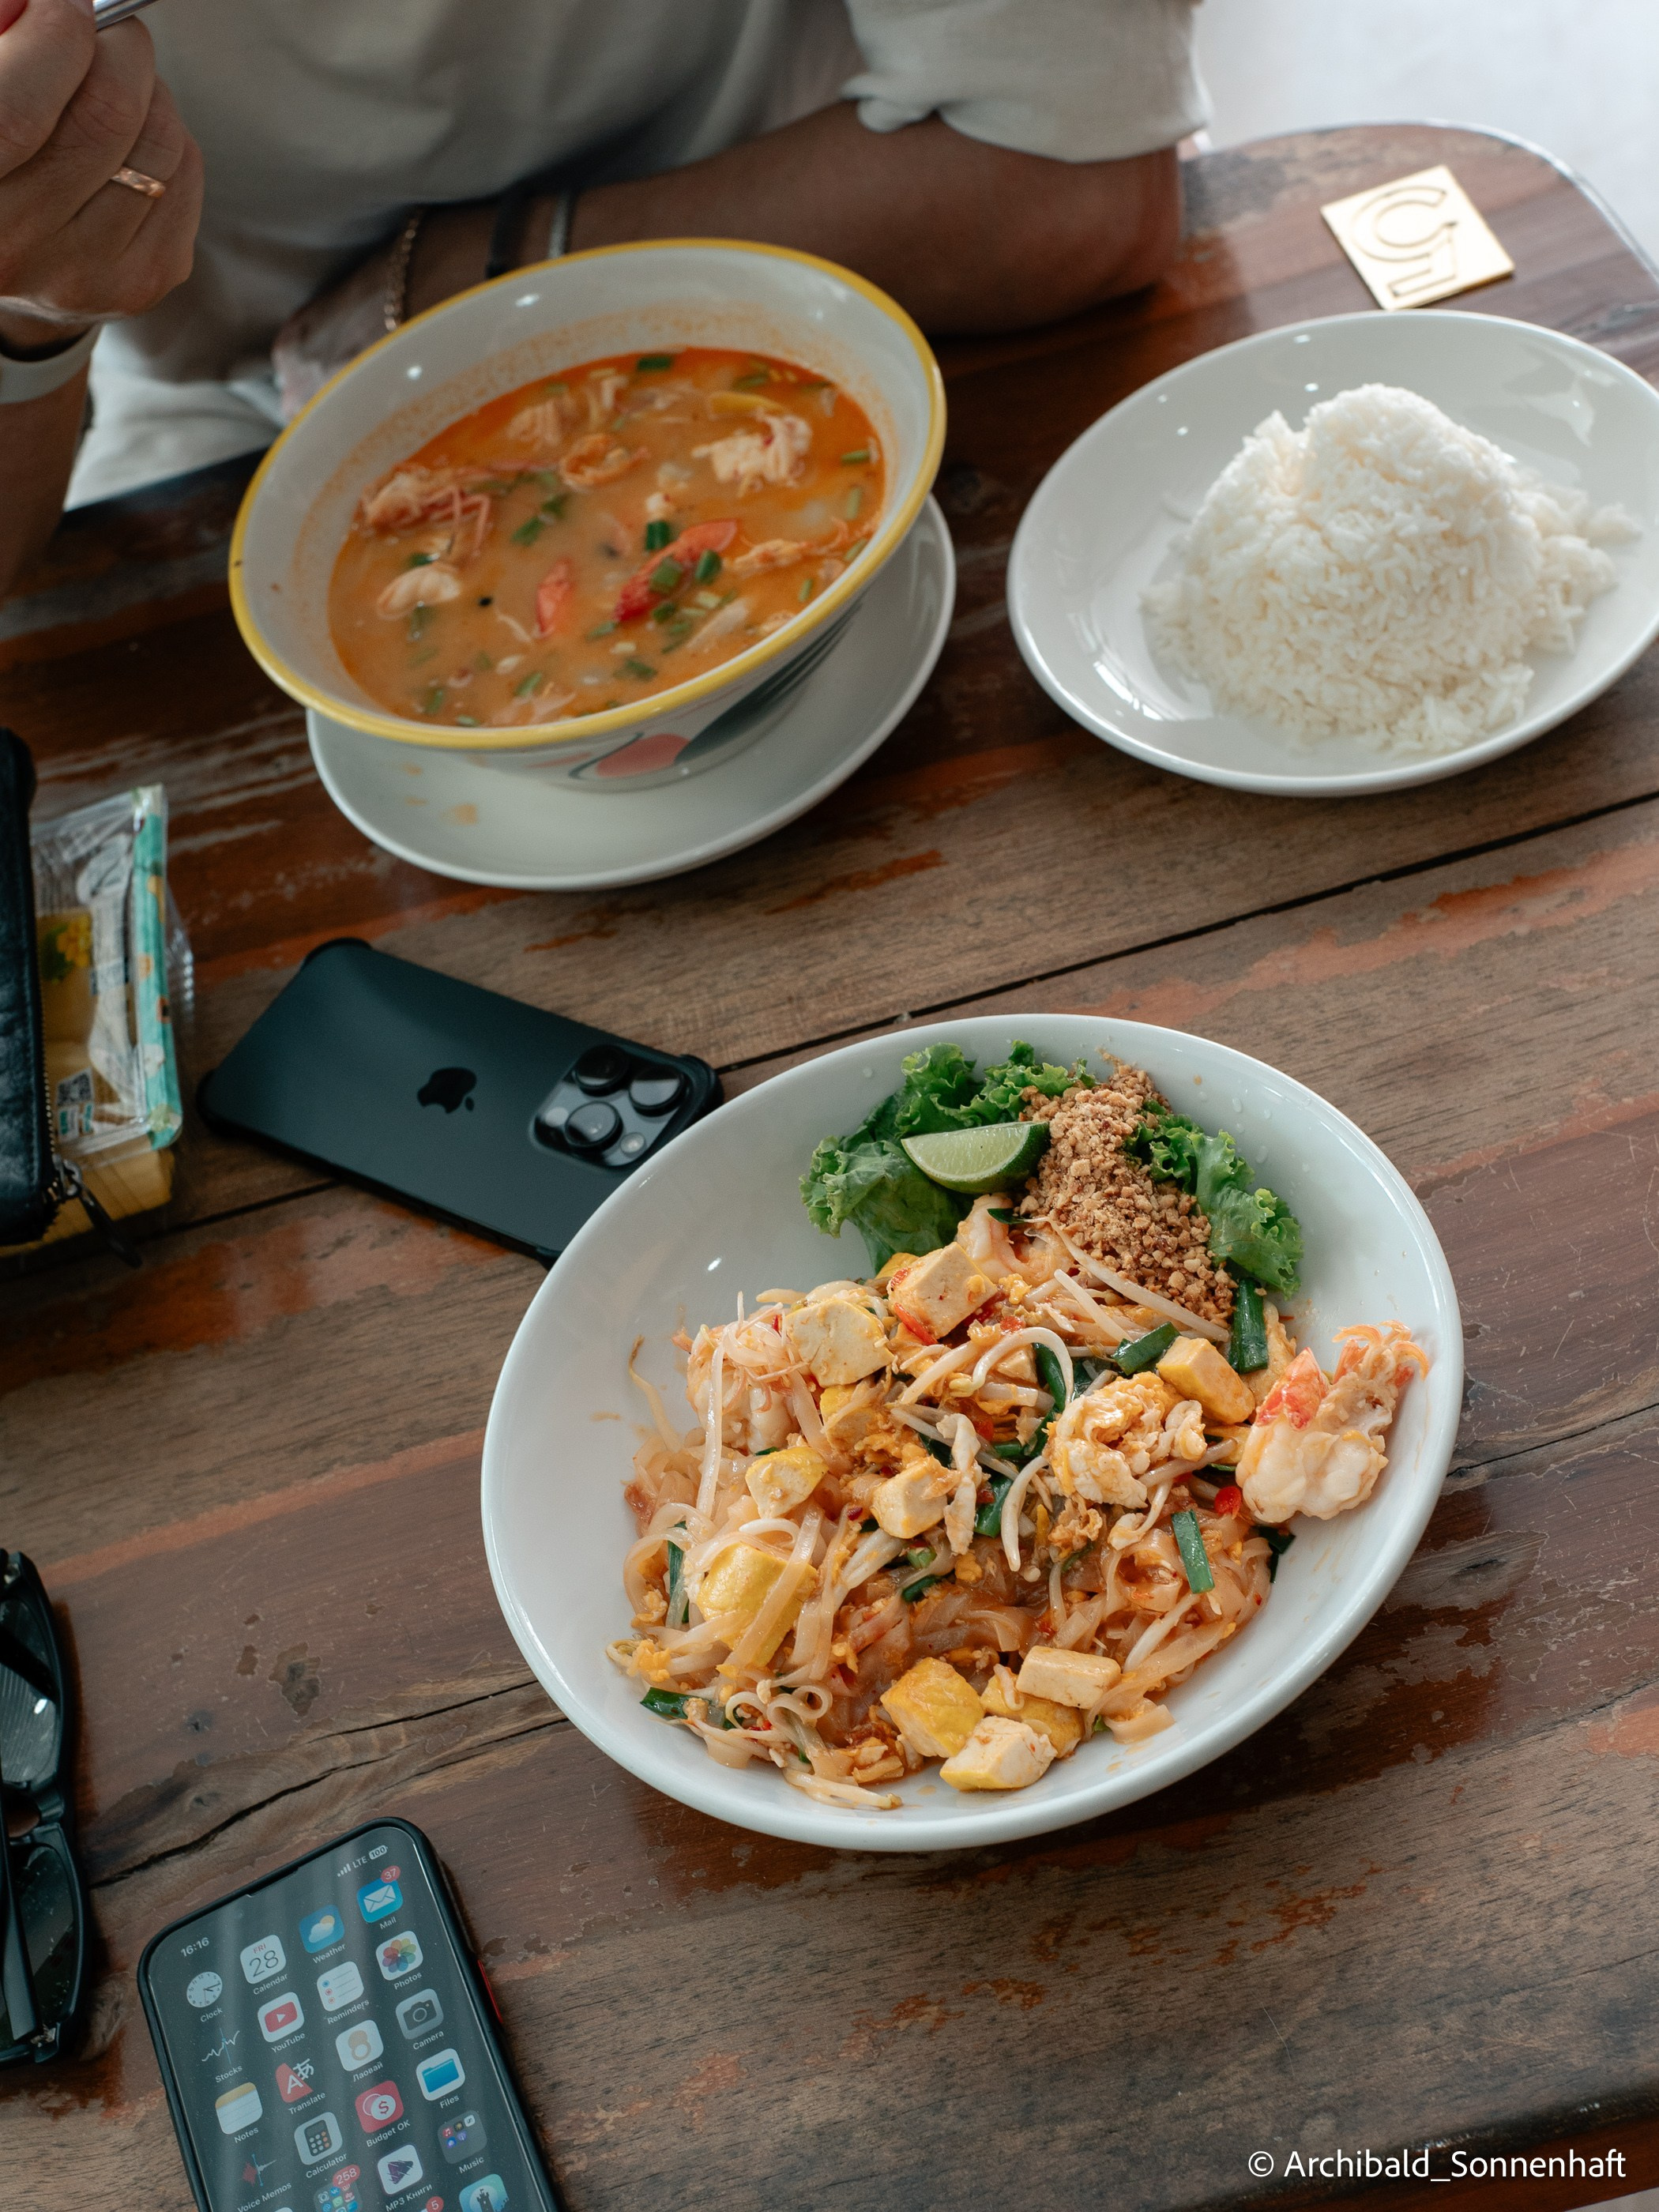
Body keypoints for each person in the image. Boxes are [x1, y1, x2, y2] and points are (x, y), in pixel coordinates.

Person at [0, 0, 1206, 593]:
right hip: (214, 420)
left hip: (872, 259)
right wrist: (26, 314)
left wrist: (486, 276)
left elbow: (1088, 192)